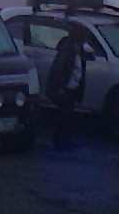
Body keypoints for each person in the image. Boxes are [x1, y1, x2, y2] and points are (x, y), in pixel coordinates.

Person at [46, 23, 88, 151]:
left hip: (71, 87)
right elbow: (59, 69)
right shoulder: (68, 50)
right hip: (65, 88)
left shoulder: (78, 49)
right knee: (64, 116)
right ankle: (60, 142)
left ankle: (64, 141)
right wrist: (60, 87)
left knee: (67, 116)